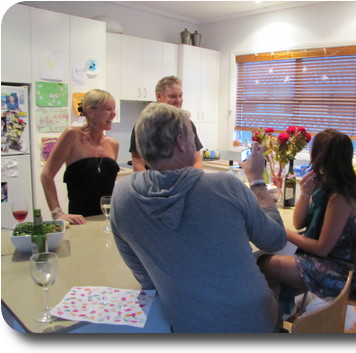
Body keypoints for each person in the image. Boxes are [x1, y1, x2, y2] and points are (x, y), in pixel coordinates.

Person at [110, 103, 287, 333]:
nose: (195, 144)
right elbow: (275, 240)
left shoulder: (122, 196)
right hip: (254, 325)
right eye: (193, 137)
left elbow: (147, 280)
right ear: (182, 141)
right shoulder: (225, 186)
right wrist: (256, 181)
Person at [257, 128, 356, 316]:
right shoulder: (334, 186)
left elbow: (321, 249)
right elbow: (299, 223)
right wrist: (305, 193)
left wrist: (283, 232)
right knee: (271, 262)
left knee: (264, 262)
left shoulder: (341, 197)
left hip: (344, 274)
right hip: (338, 264)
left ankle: (275, 316)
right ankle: (282, 312)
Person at [41, 89, 119, 225]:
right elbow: (46, 175)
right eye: (108, 109)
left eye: (114, 109)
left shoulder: (113, 144)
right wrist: (57, 213)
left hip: (108, 219)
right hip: (81, 220)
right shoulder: (72, 135)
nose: (113, 114)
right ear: (89, 111)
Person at [129, 75, 204, 171]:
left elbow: (197, 161)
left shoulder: (187, 124)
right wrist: (149, 184)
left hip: (184, 180)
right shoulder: (144, 125)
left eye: (180, 96)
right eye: (172, 96)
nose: (178, 101)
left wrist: (194, 181)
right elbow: (137, 163)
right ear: (159, 96)